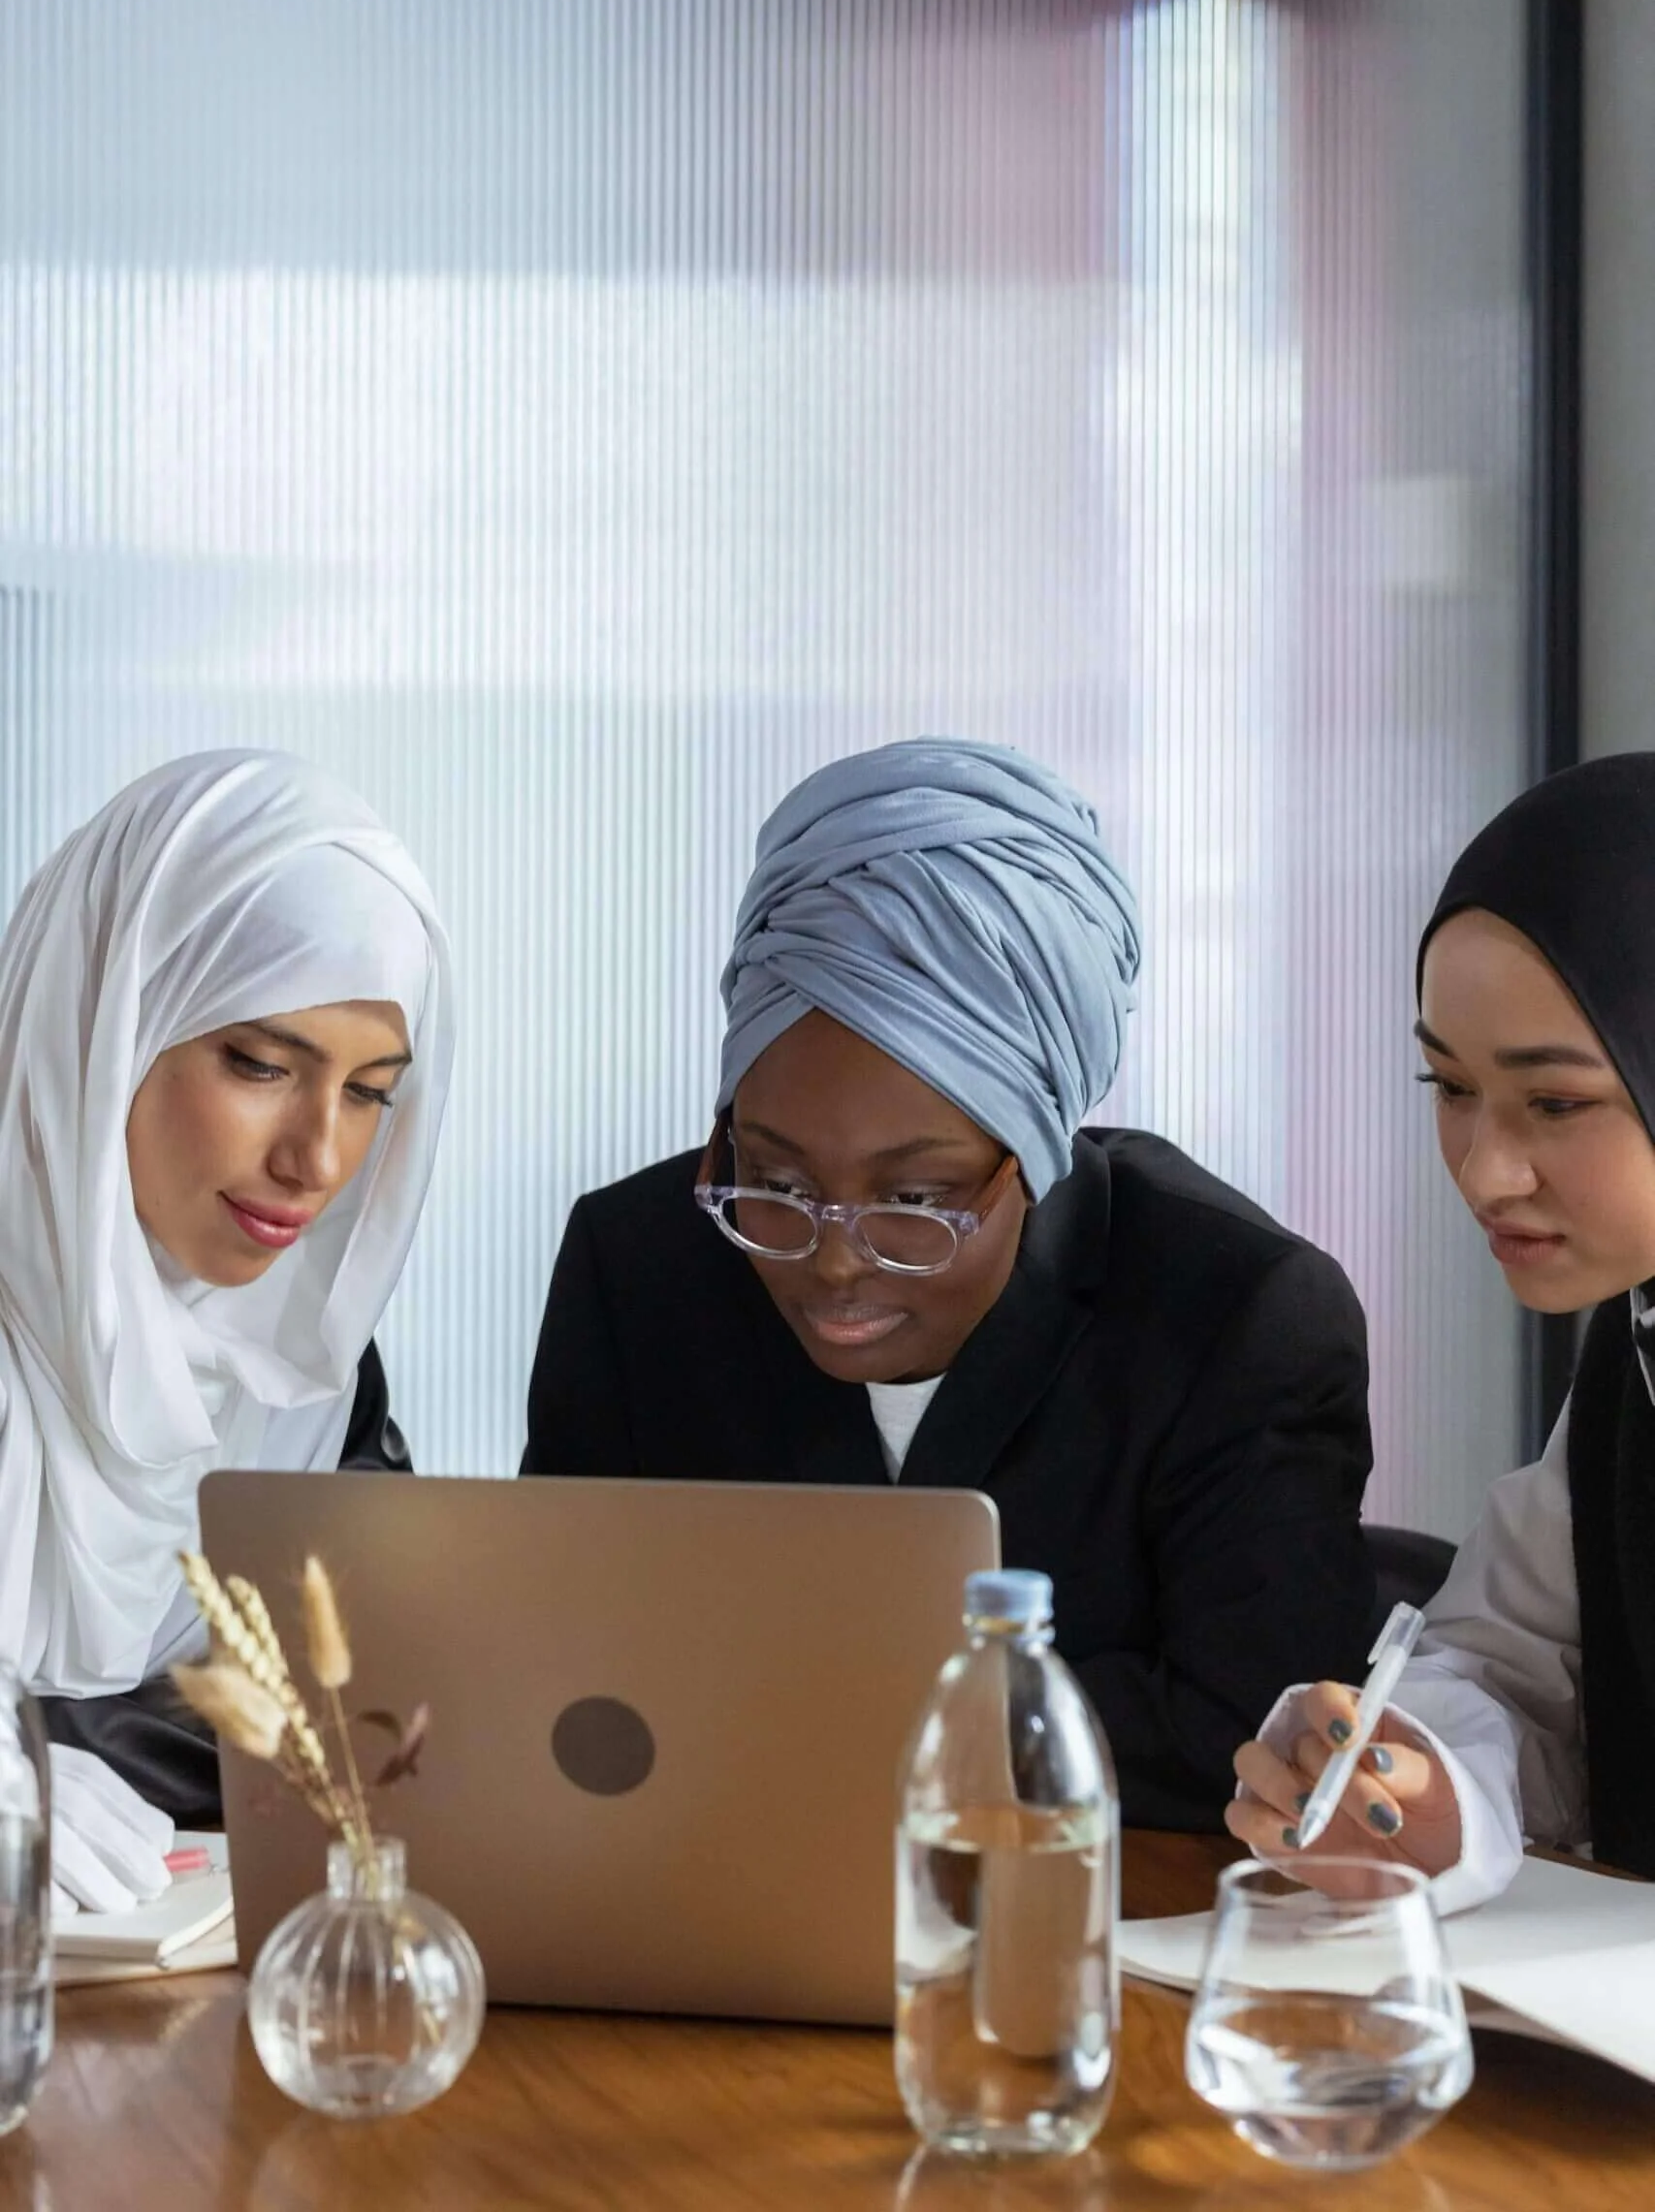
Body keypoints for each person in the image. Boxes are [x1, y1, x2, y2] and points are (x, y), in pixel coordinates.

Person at [523, 737, 1374, 1829]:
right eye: (774, 1177)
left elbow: (1248, 1738)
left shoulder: (1234, 1319)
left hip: (1092, 1935)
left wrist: (799, 1712)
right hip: (700, 1899)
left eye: (915, 1202)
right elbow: (555, 1666)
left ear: (1038, 1156)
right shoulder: (638, 1267)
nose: (832, 1260)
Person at [0, 749, 452, 1911]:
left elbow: (387, 1725)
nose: (319, 1158)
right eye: (261, 1063)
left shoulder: (303, 1365)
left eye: (369, 1092)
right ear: (105, 1024)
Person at [1229, 752, 1655, 1908]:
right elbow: (1518, 1671)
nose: (1485, 1170)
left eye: (1556, 1102)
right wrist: (1423, 1793)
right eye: (1450, 1088)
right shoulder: (1635, 1354)